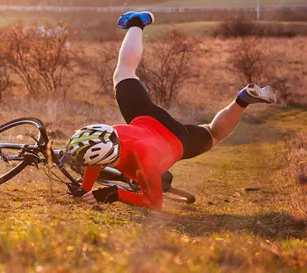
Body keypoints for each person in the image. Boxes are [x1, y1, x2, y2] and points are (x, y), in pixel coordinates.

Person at [64, 11, 276, 210]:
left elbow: (154, 203)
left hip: (177, 141)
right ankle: (136, 22)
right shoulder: (111, 135)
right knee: (124, 73)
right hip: (148, 119)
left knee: (214, 133)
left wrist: (114, 194)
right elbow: (97, 152)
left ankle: (242, 101)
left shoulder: (144, 160)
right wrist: (85, 188)